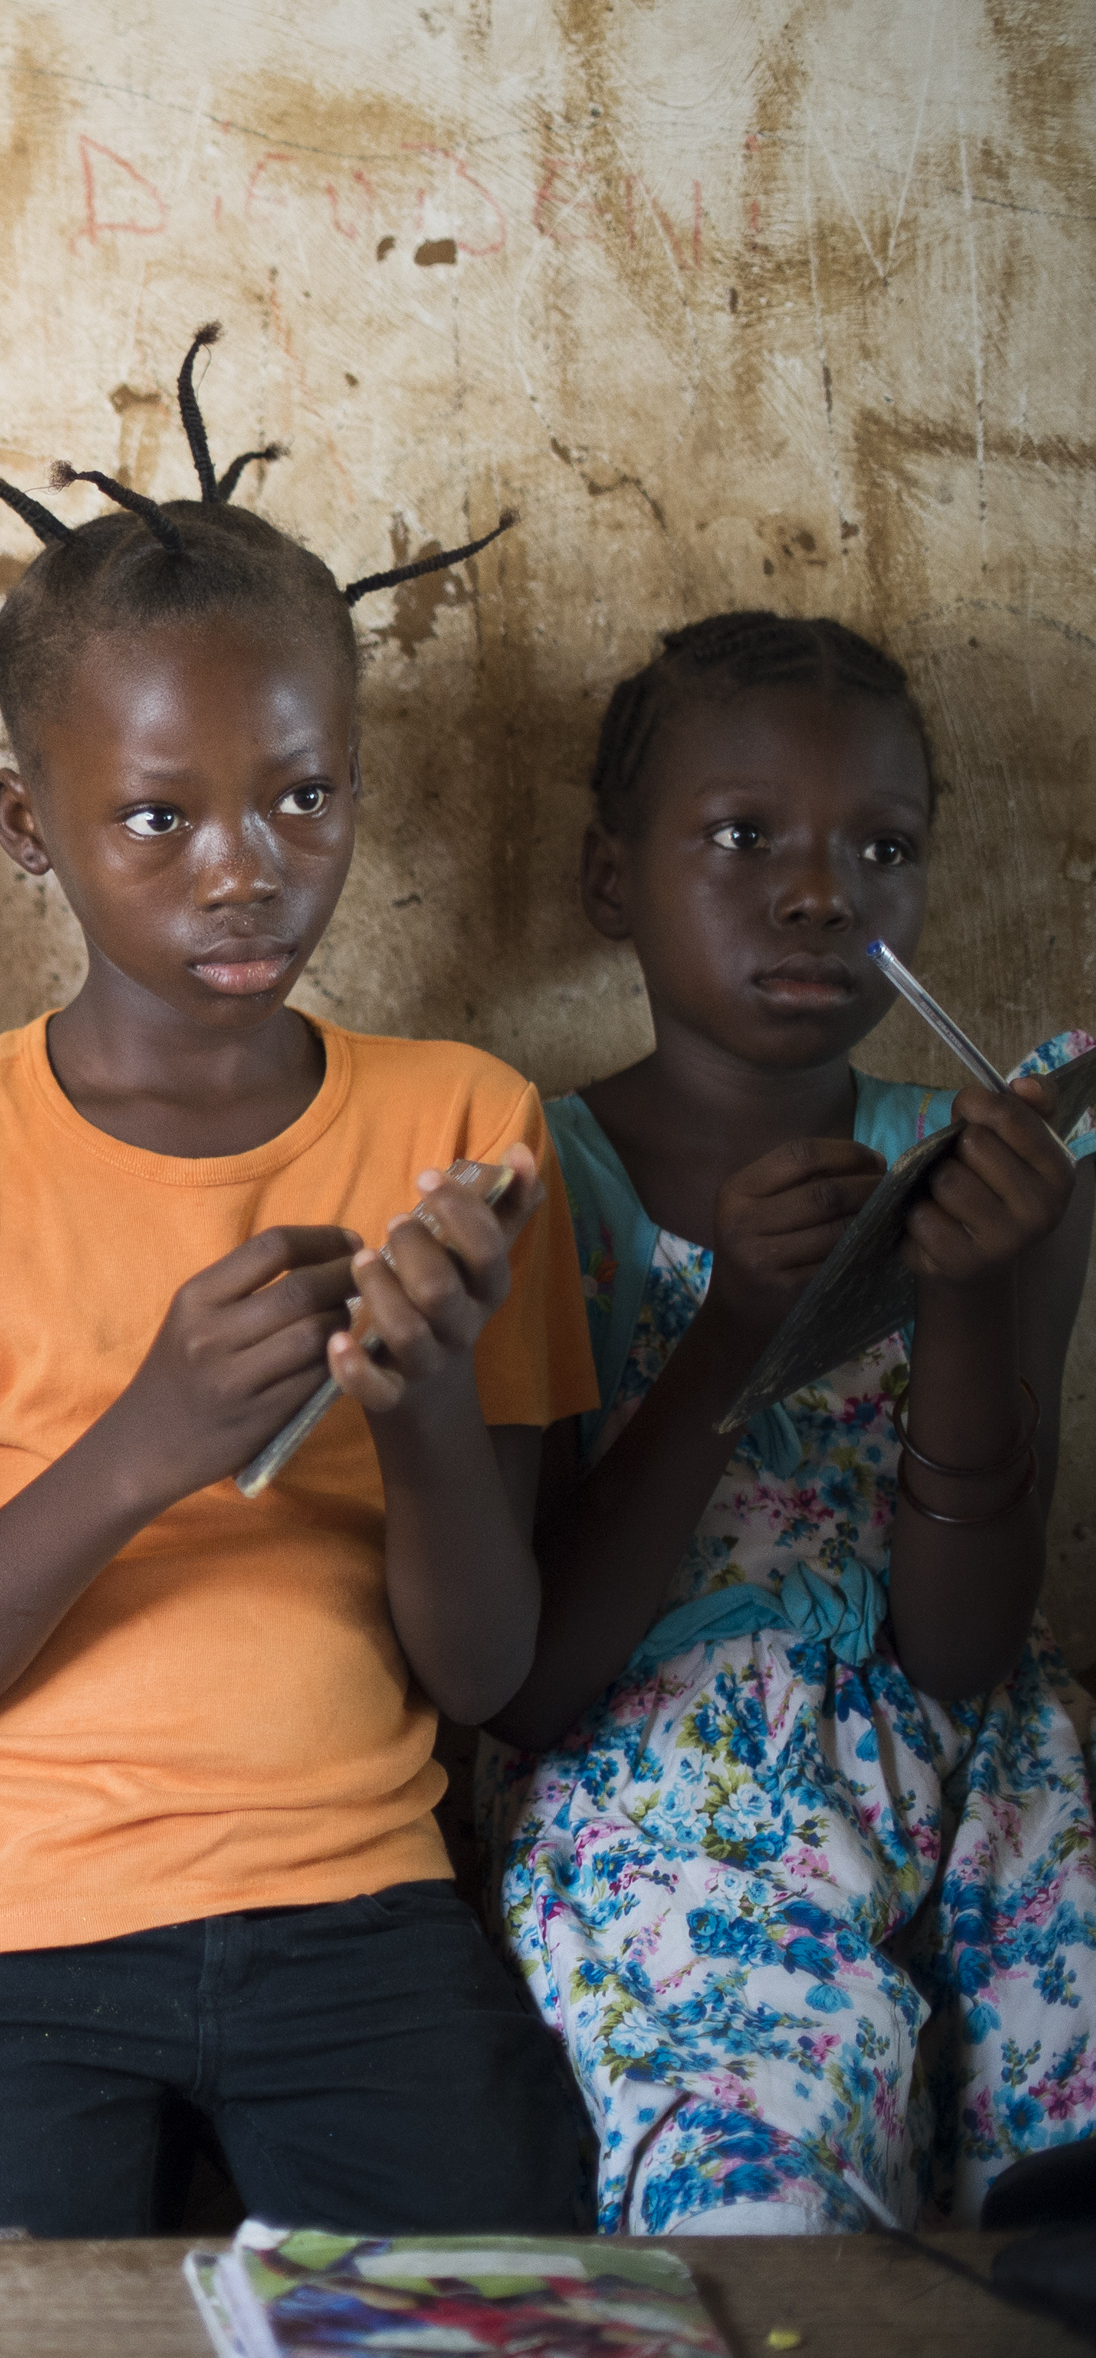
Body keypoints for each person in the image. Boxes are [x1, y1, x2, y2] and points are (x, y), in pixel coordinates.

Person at [0, 327, 594, 2236]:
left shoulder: (463, 1124)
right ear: (25, 824)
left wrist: (410, 1398)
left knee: (488, 2308)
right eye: (158, 816)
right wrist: (145, 1441)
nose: (242, 866)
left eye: (300, 796)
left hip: (351, 1898)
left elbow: (490, 1672)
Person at [484, 613, 1096, 2233]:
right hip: (666, 1792)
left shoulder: (996, 1173)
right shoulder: (534, 1179)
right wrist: (740, 1328)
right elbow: (532, 1681)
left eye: (877, 846)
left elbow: (961, 1648)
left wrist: (961, 1289)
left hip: (995, 1779)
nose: (819, 890)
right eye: (742, 835)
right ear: (612, 880)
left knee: (1061, 2186)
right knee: (763, 2206)